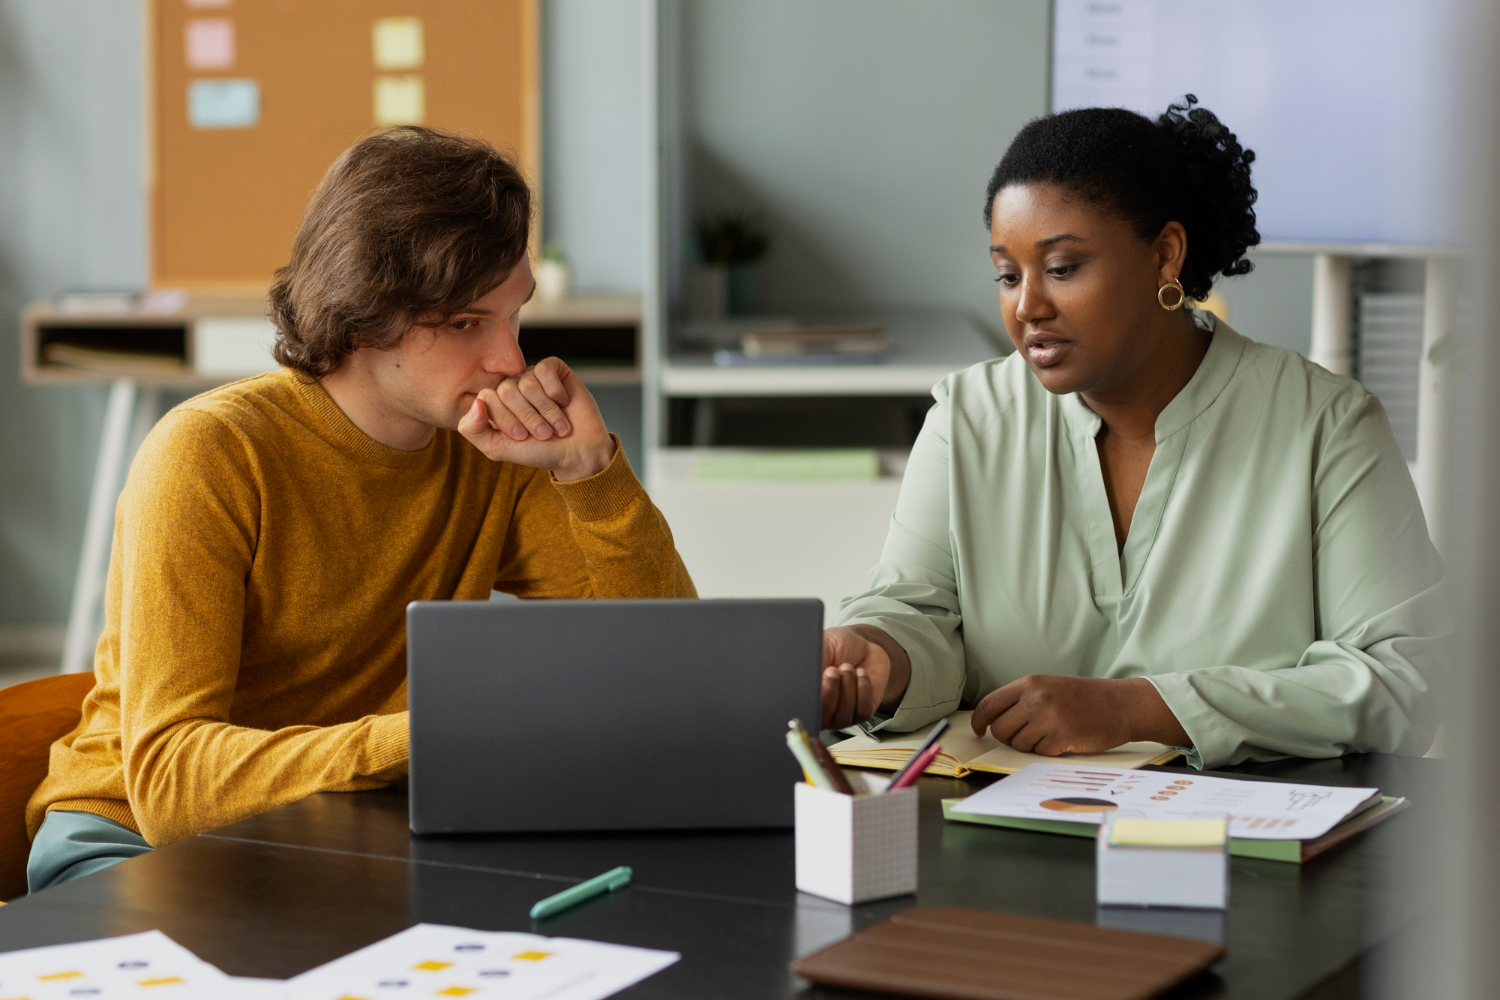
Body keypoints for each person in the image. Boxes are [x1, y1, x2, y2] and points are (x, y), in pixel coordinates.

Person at [25, 126, 695, 891]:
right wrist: (431, 738)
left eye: (515, 316)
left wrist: (589, 472)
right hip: (137, 845)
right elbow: (172, 784)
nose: (511, 360)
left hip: (343, 829)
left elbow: (666, 670)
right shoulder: (209, 454)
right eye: (468, 324)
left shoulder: (493, 452)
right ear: (365, 313)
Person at [819, 98, 1446, 768]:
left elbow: (1402, 680)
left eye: (1061, 269)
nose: (1027, 305)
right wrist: (881, 654)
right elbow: (916, 610)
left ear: (1165, 257)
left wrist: (1136, 708)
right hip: (1002, 839)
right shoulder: (969, 416)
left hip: (1244, 847)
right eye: (1008, 274)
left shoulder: (1325, 425)